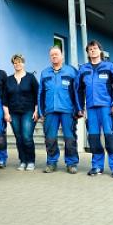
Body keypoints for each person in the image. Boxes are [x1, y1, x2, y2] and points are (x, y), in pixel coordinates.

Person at [75, 40, 113, 178]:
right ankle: (97, 166)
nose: (93, 51)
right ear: (88, 53)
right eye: (90, 49)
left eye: (95, 48)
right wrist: (80, 107)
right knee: (94, 138)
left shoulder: (110, 66)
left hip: (107, 108)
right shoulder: (83, 69)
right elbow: (78, 89)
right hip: (91, 108)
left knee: (111, 137)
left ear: (100, 50)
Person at [38, 46, 80, 174]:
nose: (54, 56)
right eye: (52, 55)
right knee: (50, 138)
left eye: (56, 54)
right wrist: (40, 111)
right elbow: (40, 93)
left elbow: (77, 92)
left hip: (68, 110)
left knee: (70, 138)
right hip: (50, 110)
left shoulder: (71, 71)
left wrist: (78, 109)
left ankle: (71, 163)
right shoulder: (45, 73)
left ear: (62, 55)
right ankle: (51, 162)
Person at [3, 53, 39, 171]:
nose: (17, 64)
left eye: (19, 62)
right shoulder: (8, 80)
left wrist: (37, 111)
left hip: (28, 111)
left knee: (27, 137)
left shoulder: (30, 78)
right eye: (15, 62)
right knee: (18, 138)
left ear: (23, 63)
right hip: (13, 112)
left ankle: (31, 161)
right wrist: (6, 113)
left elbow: (38, 95)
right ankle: (23, 161)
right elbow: (5, 98)